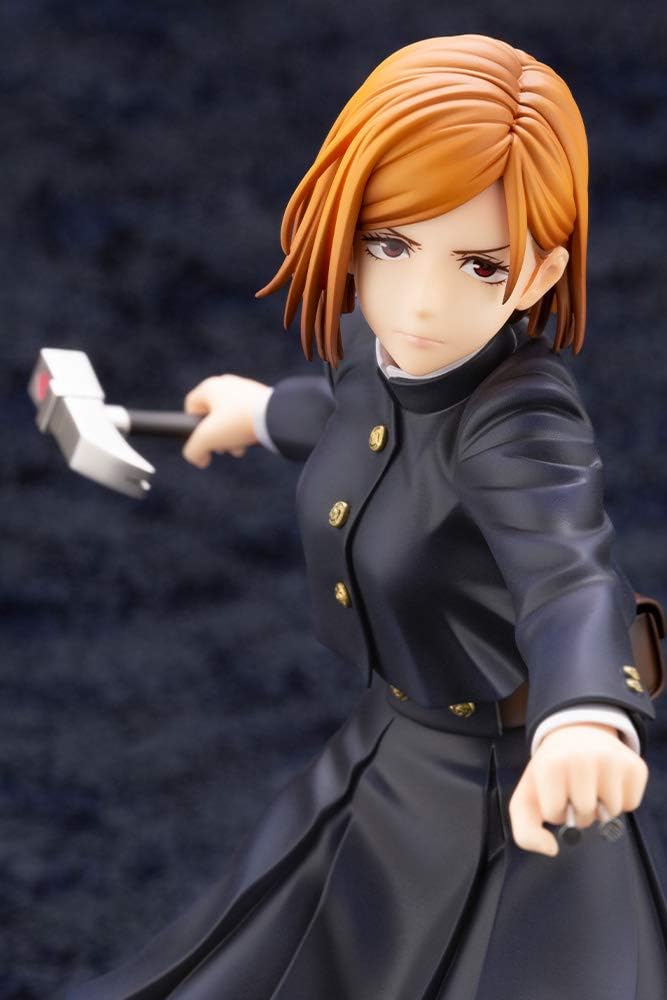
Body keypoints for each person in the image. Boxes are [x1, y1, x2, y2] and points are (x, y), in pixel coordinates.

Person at [69, 34, 667, 1000]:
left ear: (537, 275)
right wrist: (263, 412)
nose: (422, 303)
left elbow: (569, 572)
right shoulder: (372, 344)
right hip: (388, 753)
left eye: (478, 264)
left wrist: (586, 717)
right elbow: (364, 416)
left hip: (516, 794)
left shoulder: (520, 422)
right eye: (391, 245)